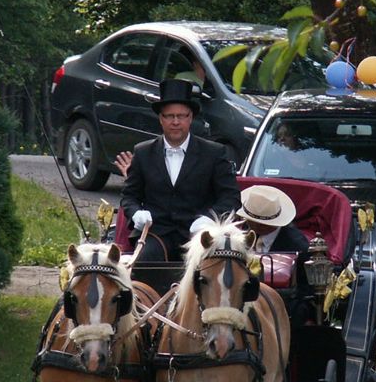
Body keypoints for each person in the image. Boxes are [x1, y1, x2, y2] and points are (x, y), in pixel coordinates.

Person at [120, 78, 241, 263]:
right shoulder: (143, 152)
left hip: (200, 234)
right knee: (143, 266)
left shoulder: (214, 153)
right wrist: (136, 213)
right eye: (169, 116)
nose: (175, 122)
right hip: (156, 234)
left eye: (181, 116)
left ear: (190, 118)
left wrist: (208, 220)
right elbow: (129, 197)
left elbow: (231, 198)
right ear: (161, 119)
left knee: (210, 273)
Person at [236, 184, 313, 325]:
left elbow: (306, 290)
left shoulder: (297, 246)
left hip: (281, 310)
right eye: (251, 220)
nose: (253, 225)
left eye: (259, 222)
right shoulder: (237, 237)